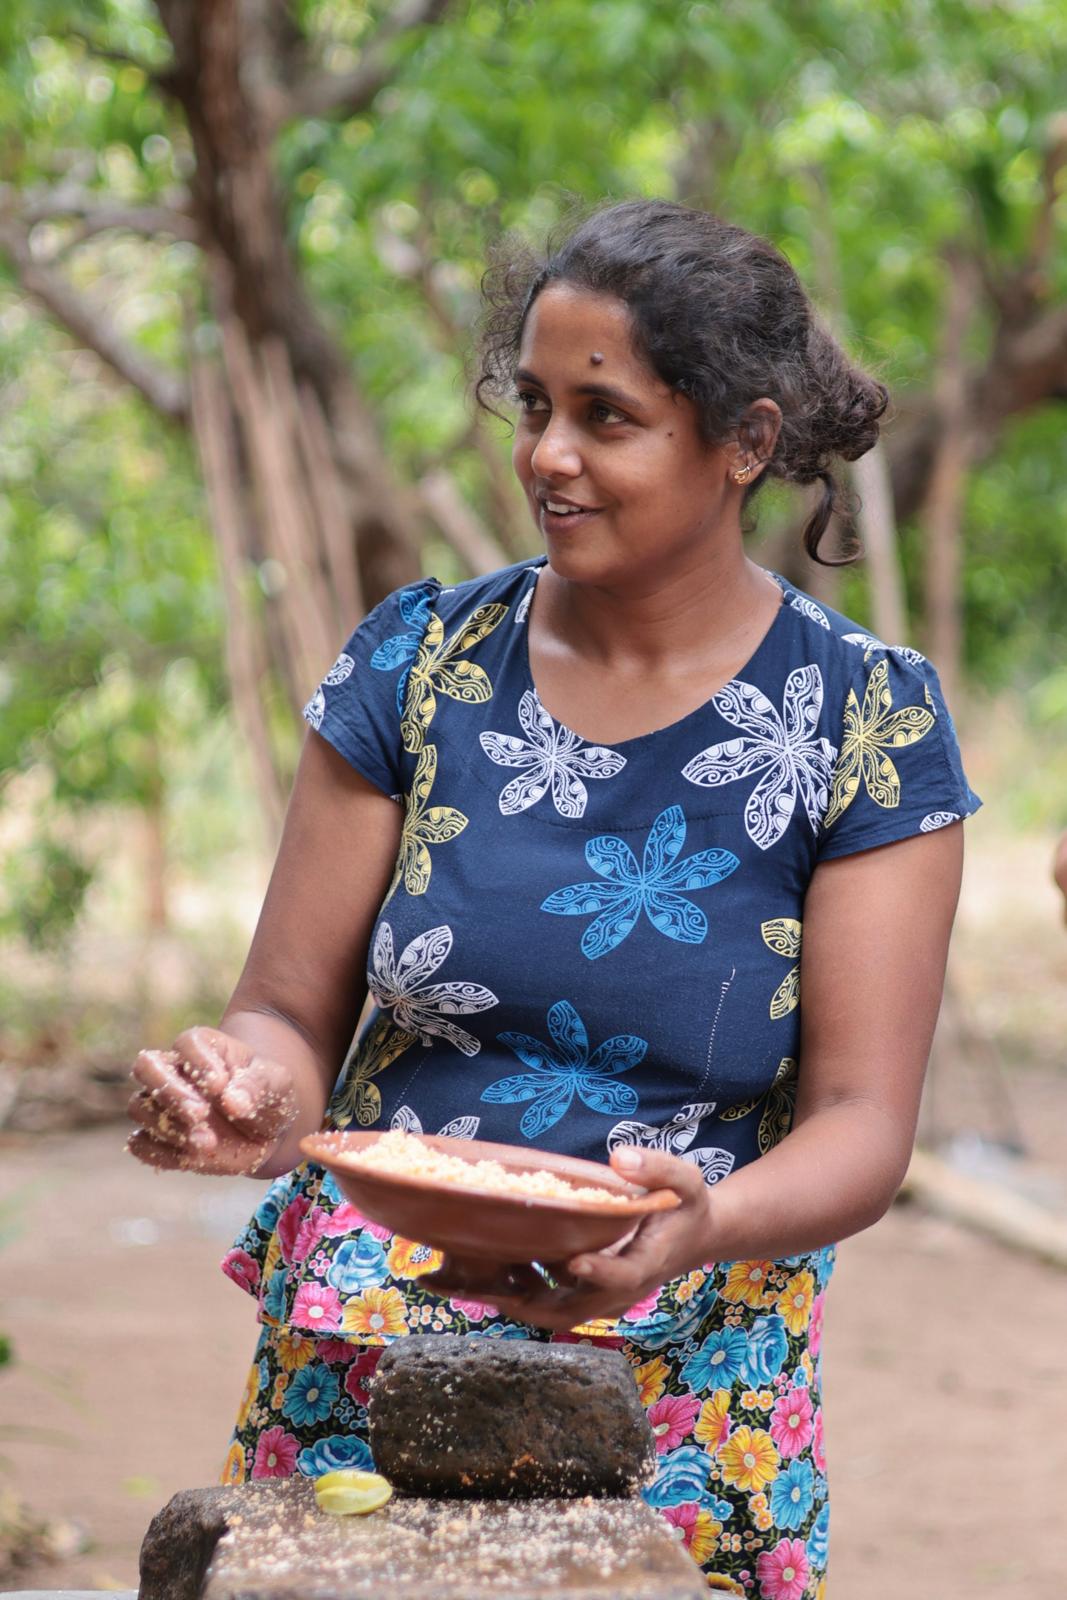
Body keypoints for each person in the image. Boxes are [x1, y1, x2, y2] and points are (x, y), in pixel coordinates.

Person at [127, 200, 980, 1594]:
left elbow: (861, 1125)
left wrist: (692, 1227)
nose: (549, 456)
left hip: (690, 1377)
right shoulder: (420, 662)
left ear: (746, 443)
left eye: (607, 415)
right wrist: (247, 1101)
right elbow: (284, 1008)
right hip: (368, 1353)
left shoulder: (861, 721)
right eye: (533, 405)